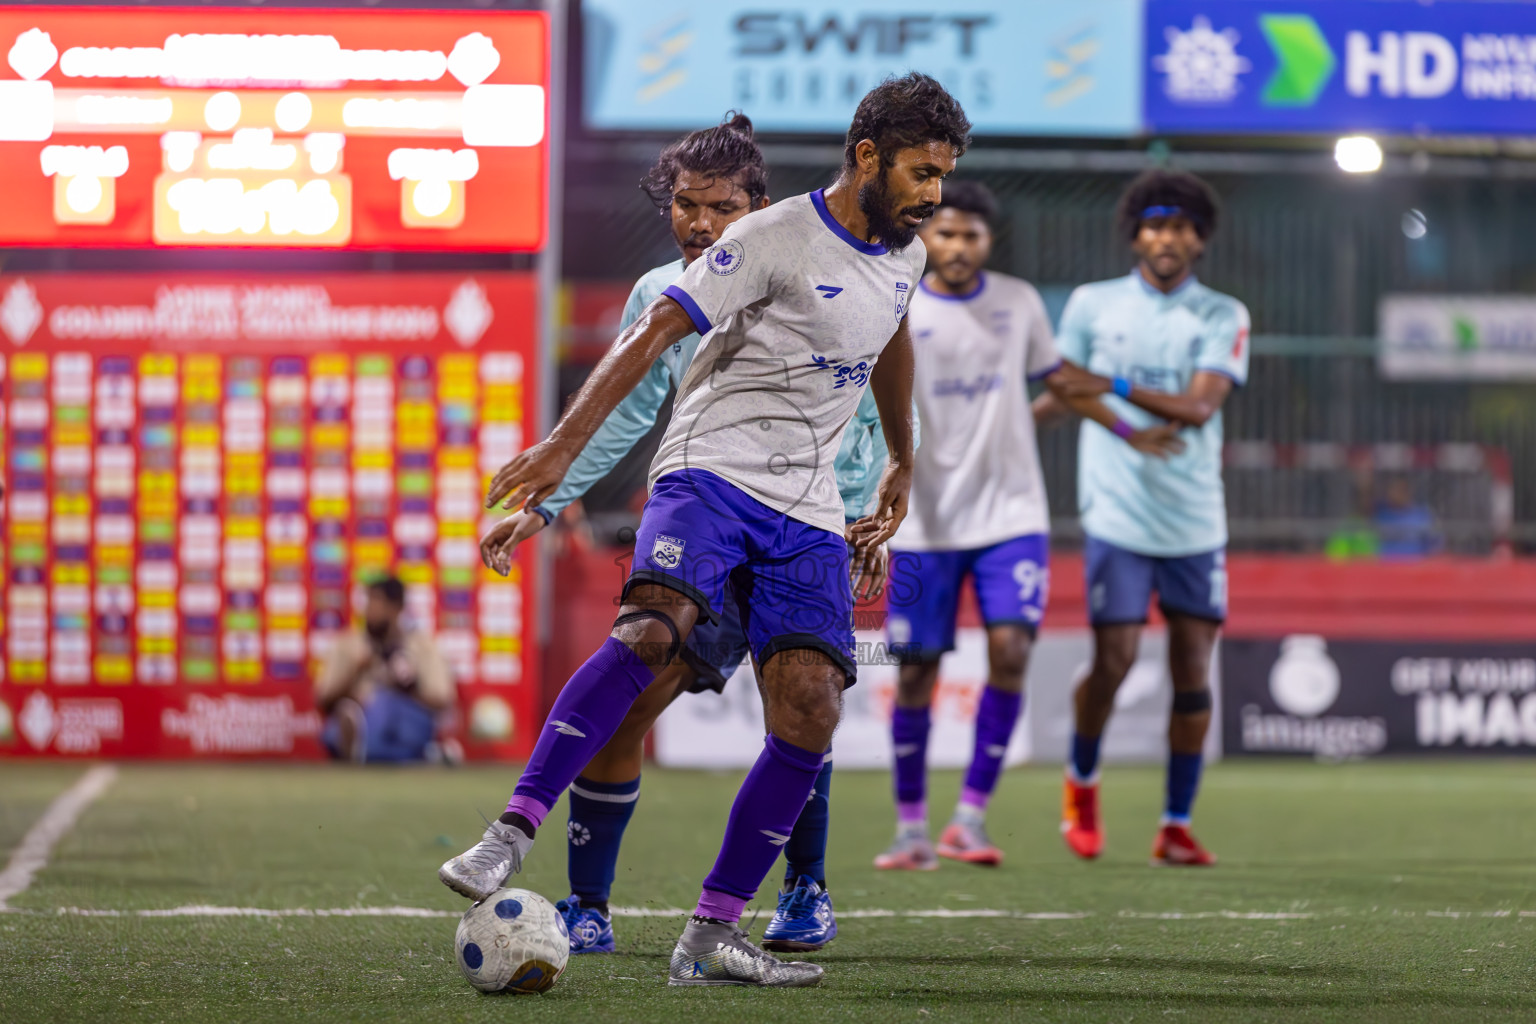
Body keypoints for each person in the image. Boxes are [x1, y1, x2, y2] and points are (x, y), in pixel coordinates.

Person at [441, 72, 971, 988]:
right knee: (648, 638)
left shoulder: (905, 251)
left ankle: (718, 930)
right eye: (923, 174)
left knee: (812, 702)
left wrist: (900, 457)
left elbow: (890, 333)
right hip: (711, 471)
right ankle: (511, 837)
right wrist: (558, 461)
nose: (935, 195)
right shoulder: (767, 237)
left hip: (807, 506)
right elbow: (650, 338)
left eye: (943, 176)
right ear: (868, 157)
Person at [875, 181, 1183, 871]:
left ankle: (971, 819)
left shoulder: (1016, 302)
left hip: (1011, 513)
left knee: (1011, 652)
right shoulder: (897, 298)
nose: (956, 247)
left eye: (971, 235)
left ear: (989, 240)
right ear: (928, 235)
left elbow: (1060, 381)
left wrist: (1127, 428)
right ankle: (910, 828)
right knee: (918, 675)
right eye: (945, 233)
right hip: (921, 519)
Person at [1041, 169, 1250, 867]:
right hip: (1119, 516)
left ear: (1201, 240)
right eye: (1157, 225)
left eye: (1185, 227)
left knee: (1195, 673)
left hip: (1195, 520)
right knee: (1115, 662)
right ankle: (1082, 787)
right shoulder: (1094, 306)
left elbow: (1197, 408)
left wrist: (1114, 384)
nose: (1170, 238)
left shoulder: (1224, 314)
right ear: (1136, 234)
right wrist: (1013, 421)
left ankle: (1176, 824)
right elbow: (1064, 386)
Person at [314, 576, 456, 763]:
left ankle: (364, 748)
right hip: (360, 716)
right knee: (338, 729)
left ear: (396, 608)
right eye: (368, 602)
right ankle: (426, 754)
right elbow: (324, 699)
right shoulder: (348, 645)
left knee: (385, 703)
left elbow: (441, 701)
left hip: (406, 721)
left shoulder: (422, 646)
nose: (369, 611)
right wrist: (355, 672)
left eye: (377, 602)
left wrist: (408, 687)